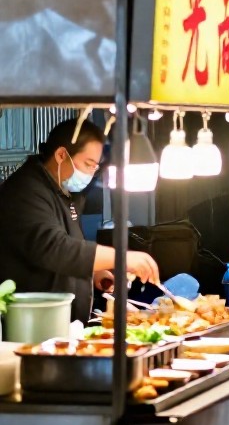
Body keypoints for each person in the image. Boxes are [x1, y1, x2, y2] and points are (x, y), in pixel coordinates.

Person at [0, 120, 160, 323]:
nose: (91, 173)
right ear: (60, 155)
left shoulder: (65, 190)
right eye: (87, 164)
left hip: (64, 325)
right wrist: (121, 258)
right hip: (32, 324)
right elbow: (55, 249)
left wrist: (95, 272)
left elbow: (72, 242)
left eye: (95, 166)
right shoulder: (25, 191)